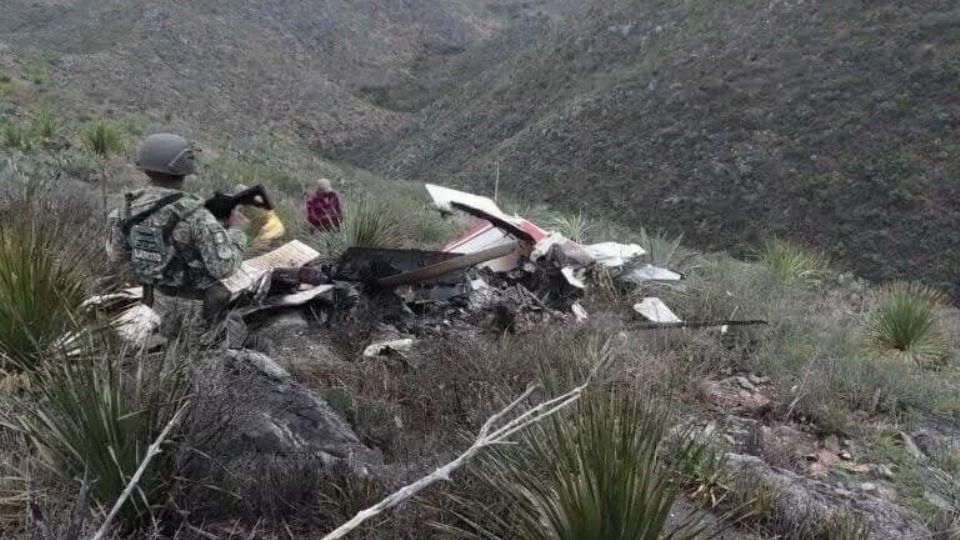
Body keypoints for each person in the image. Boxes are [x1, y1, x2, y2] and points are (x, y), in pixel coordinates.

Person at [107, 133, 247, 339]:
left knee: (155, 351)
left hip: (152, 303)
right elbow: (224, 267)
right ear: (184, 167)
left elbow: (117, 256)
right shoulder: (197, 216)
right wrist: (236, 231)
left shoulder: (125, 209)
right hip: (195, 312)